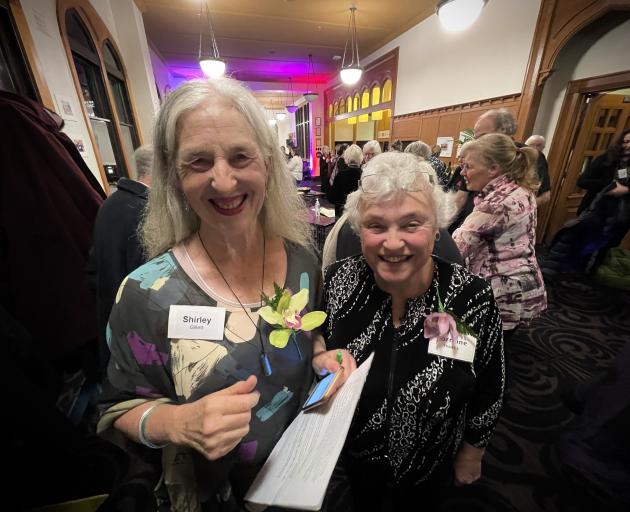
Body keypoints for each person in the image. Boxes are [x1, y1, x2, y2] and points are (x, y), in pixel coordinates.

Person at [97, 78, 346, 511]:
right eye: (198, 161)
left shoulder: (302, 261)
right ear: (174, 177)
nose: (224, 181)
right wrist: (178, 421)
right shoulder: (146, 293)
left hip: (299, 484)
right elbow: (116, 412)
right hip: (213, 497)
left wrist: (321, 356)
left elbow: (306, 336)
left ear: (268, 164)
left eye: (239, 157)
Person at [322, 152, 505, 510]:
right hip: (357, 456)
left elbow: (490, 384)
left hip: (431, 463)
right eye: (376, 226)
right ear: (360, 231)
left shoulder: (469, 297)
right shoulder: (339, 282)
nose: (392, 243)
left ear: (436, 228)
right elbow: (318, 343)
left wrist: (473, 451)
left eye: (411, 224)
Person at [453, 134, 547, 340]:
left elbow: (457, 247)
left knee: (483, 354)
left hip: (500, 289)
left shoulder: (497, 202)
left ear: (493, 169)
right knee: (500, 349)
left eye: (469, 166)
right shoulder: (520, 188)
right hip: (521, 280)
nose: (463, 172)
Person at [88, 145, 153, 376]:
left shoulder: (111, 203)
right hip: (136, 330)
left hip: (109, 314)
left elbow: (93, 266)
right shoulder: (145, 211)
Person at [327, 143, 362, 217]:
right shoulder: (364, 175)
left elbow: (331, 198)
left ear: (346, 158)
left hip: (342, 214)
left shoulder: (340, 175)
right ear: (361, 158)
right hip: (359, 215)